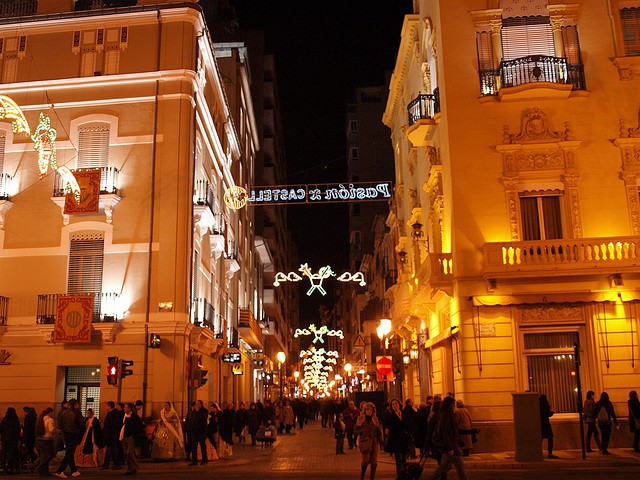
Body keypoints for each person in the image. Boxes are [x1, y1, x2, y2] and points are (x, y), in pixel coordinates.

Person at [428, 396, 469, 480]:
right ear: (450, 405)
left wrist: (471, 431)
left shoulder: (449, 415)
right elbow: (445, 433)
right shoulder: (446, 417)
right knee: (460, 468)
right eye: (454, 404)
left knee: (443, 468)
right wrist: (450, 448)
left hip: (451, 447)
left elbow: (455, 431)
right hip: (451, 448)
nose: (455, 406)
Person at [55, 398, 84, 478]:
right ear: (75, 404)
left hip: (65, 434)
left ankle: (74, 470)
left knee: (69, 452)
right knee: (69, 453)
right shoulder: (76, 413)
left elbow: (59, 423)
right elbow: (81, 424)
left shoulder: (63, 412)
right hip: (73, 434)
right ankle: (60, 470)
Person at [355, 402, 382, 480]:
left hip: (374, 442)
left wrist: (381, 442)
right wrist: (360, 428)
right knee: (365, 461)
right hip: (365, 442)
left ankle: (372, 478)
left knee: (374, 462)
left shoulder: (375, 419)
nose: (369, 411)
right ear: (365, 410)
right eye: (367, 410)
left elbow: (378, 431)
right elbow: (356, 430)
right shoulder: (361, 418)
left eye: (371, 410)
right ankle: (362, 476)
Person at [384, 398, 410, 476]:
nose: (395, 405)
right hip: (396, 441)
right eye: (393, 404)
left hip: (404, 440)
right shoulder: (391, 416)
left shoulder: (404, 414)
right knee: (398, 459)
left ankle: (404, 473)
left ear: (399, 405)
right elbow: (387, 426)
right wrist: (387, 429)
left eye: (396, 404)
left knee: (404, 459)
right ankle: (399, 475)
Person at [121, 402, 144, 475]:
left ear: (129, 408)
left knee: (129, 452)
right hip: (124, 436)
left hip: (131, 437)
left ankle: (135, 466)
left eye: (125, 407)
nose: (124, 408)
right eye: (124, 407)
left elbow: (139, 426)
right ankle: (130, 468)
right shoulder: (124, 416)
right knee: (125, 453)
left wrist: (135, 434)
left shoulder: (134, 416)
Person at [34, 407, 57, 477]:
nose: (53, 414)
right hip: (47, 440)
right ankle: (40, 468)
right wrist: (57, 430)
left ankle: (45, 471)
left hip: (39, 440)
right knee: (50, 455)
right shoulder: (50, 420)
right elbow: (51, 429)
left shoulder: (41, 419)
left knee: (43, 456)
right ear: (50, 412)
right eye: (52, 412)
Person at [0, 407, 22, 475]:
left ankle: (3, 468)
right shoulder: (16, 420)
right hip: (13, 440)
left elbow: (0, 429)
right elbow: (18, 430)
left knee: (4, 454)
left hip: (5, 440)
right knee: (11, 454)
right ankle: (10, 467)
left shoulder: (4, 420)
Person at [102, 401, 123, 470]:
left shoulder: (114, 414)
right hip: (111, 434)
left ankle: (106, 464)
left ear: (109, 406)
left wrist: (108, 433)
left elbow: (113, 425)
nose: (105, 407)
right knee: (113, 449)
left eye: (106, 406)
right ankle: (116, 463)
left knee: (110, 449)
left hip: (111, 435)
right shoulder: (112, 413)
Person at [189, 400, 208, 465]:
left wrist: (197, 412)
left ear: (201, 404)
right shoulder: (194, 411)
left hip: (201, 432)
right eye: (196, 404)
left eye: (197, 404)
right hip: (194, 432)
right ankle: (194, 461)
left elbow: (202, 420)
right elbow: (191, 420)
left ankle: (204, 460)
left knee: (203, 446)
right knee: (194, 447)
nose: (196, 405)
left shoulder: (204, 411)